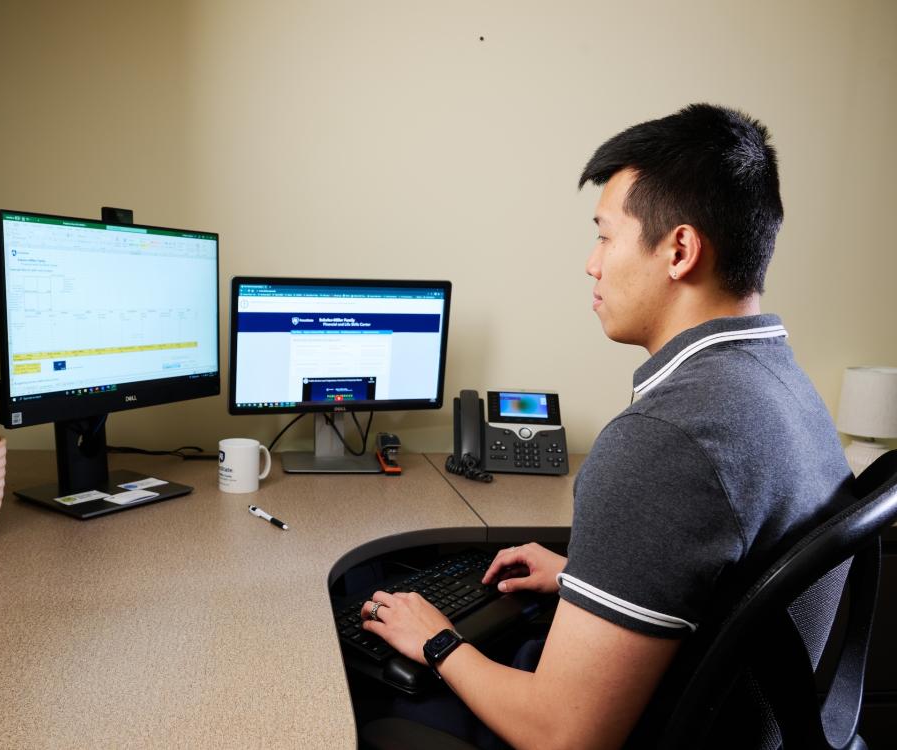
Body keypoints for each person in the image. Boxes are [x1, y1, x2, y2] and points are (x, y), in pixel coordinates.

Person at [359, 103, 852, 749]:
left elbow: (563, 737)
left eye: (605, 235)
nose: (592, 264)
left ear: (679, 249)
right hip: (761, 725)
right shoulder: (781, 385)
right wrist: (584, 578)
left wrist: (437, 639)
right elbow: (726, 585)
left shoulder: (664, 437)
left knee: (365, 700)